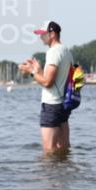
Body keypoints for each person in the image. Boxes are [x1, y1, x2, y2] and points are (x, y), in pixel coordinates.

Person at [19, 20, 73, 154]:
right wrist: (38, 70)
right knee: (63, 149)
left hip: (51, 105)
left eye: (43, 34)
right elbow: (57, 79)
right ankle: (64, 174)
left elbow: (47, 82)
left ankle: (49, 175)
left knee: (49, 151)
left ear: (52, 34)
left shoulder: (53, 52)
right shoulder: (67, 51)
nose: (40, 37)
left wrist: (31, 72)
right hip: (63, 104)